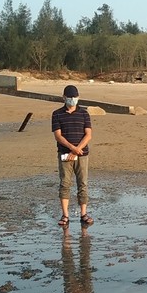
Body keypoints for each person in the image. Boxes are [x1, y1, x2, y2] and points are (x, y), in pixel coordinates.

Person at [52, 84, 94, 227]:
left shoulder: (84, 114)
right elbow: (58, 136)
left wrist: (77, 149)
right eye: (70, 97)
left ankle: (84, 214)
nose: (72, 100)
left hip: (82, 154)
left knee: (83, 184)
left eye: (75, 97)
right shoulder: (57, 114)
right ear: (64, 98)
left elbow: (88, 135)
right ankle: (65, 215)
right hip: (65, 154)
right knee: (65, 184)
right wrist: (71, 149)